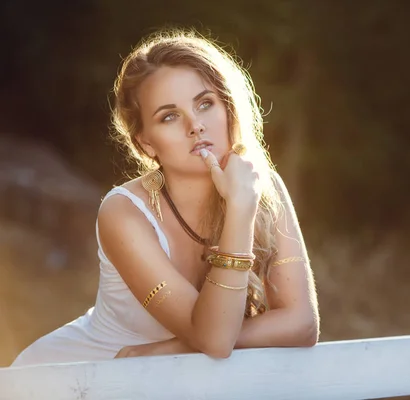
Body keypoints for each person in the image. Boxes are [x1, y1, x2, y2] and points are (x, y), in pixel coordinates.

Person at [11, 29, 319, 366]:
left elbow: (302, 324)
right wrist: (239, 211)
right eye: (169, 116)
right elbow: (216, 340)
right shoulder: (124, 212)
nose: (195, 125)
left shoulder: (260, 185)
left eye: (205, 104)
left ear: (229, 108)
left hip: (168, 374)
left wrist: (178, 347)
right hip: (78, 376)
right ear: (146, 143)